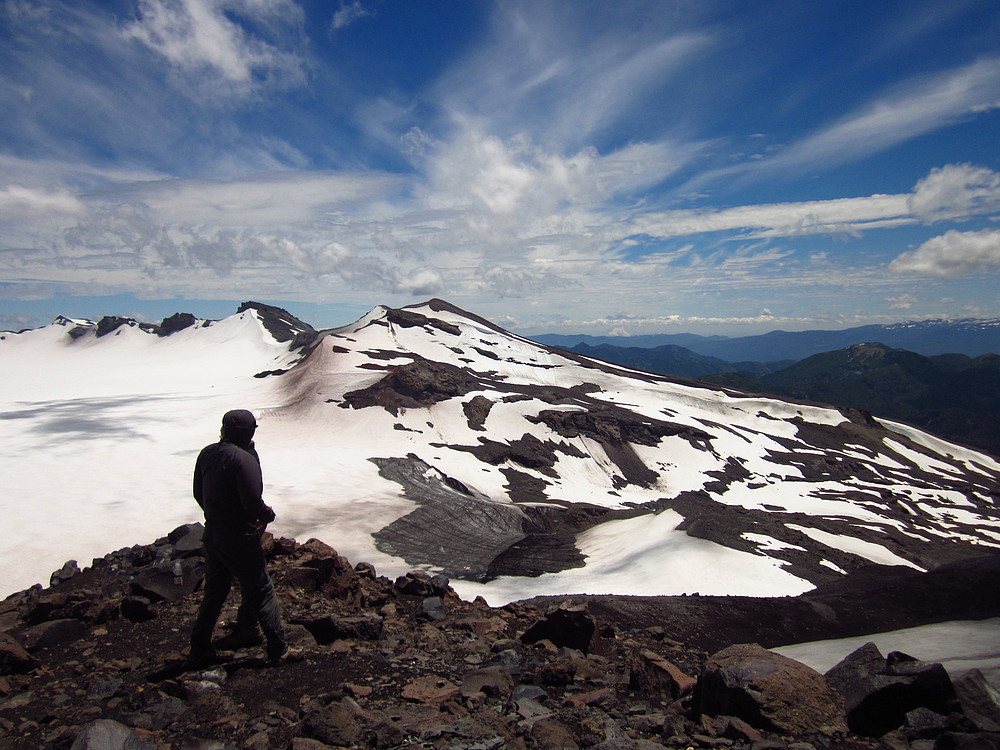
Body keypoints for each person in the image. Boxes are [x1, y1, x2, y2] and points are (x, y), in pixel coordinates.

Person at [189, 409, 297, 666]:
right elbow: (252, 502)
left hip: (213, 532)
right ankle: (278, 648)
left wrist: (215, 515)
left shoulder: (207, 453)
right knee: (262, 589)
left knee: (215, 591)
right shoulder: (243, 460)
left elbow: (198, 492)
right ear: (248, 433)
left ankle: (200, 647)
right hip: (238, 535)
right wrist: (266, 514)